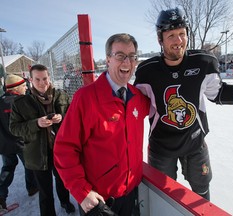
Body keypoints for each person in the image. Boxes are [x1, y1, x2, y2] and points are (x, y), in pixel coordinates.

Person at [134, 8, 233, 201]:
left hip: (194, 142)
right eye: (171, 35)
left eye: (182, 34)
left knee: (202, 196)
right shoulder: (147, 71)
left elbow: (219, 93)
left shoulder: (204, 62)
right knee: (162, 199)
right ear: (160, 40)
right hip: (161, 146)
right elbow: (135, 106)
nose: (178, 41)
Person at [53, 33, 150, 216]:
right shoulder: (86, 98)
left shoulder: (137, 97)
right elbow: (64, 149)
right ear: (107, 59)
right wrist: (82, 193)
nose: (127, 62)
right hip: (99, 201)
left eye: (132, 56)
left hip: (131, 194)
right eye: (120, 55)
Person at [9, 65, 75, 216]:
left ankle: (65, 201)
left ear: (49, 78)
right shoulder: (21, 103)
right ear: (31, 80)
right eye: (37, 79)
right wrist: (36, 123)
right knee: (45, 191)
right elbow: (14, 128)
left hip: (60, 151)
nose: (42, 83)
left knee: (62, 182)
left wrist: (62, 117)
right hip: (37, 154)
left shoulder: (61, 95)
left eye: (45, 78)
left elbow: (73, 118)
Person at [0, 74, 38, 210]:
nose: (25, 88)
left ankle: (1, 197)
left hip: (4, 144)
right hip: (21, 141)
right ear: (16, 88)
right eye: (23, 86)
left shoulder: (0, 101)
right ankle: (32, 187)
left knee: (8, 168)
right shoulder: (21, 102)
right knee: (30, 165)